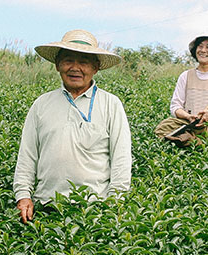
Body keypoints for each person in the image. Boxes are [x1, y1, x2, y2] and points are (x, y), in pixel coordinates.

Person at [13, 30, 132, 224]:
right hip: (46, 207)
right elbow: (27, 156)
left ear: (96, 67)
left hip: (94, 210)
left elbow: (121, 159)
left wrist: (113, 204)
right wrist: (23, 195)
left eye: (84, 62)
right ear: (58, 65)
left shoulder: (111, 104)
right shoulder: (41, 104)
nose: (75, 68)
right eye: (68, 60)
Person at [153, 35, 208, 146]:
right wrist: (188, 117)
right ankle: (190, 140)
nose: (203, 50)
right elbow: (175, 107)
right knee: (162, 127)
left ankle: (188, 140)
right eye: (200, 46)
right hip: (189, 123)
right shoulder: (186, 76)